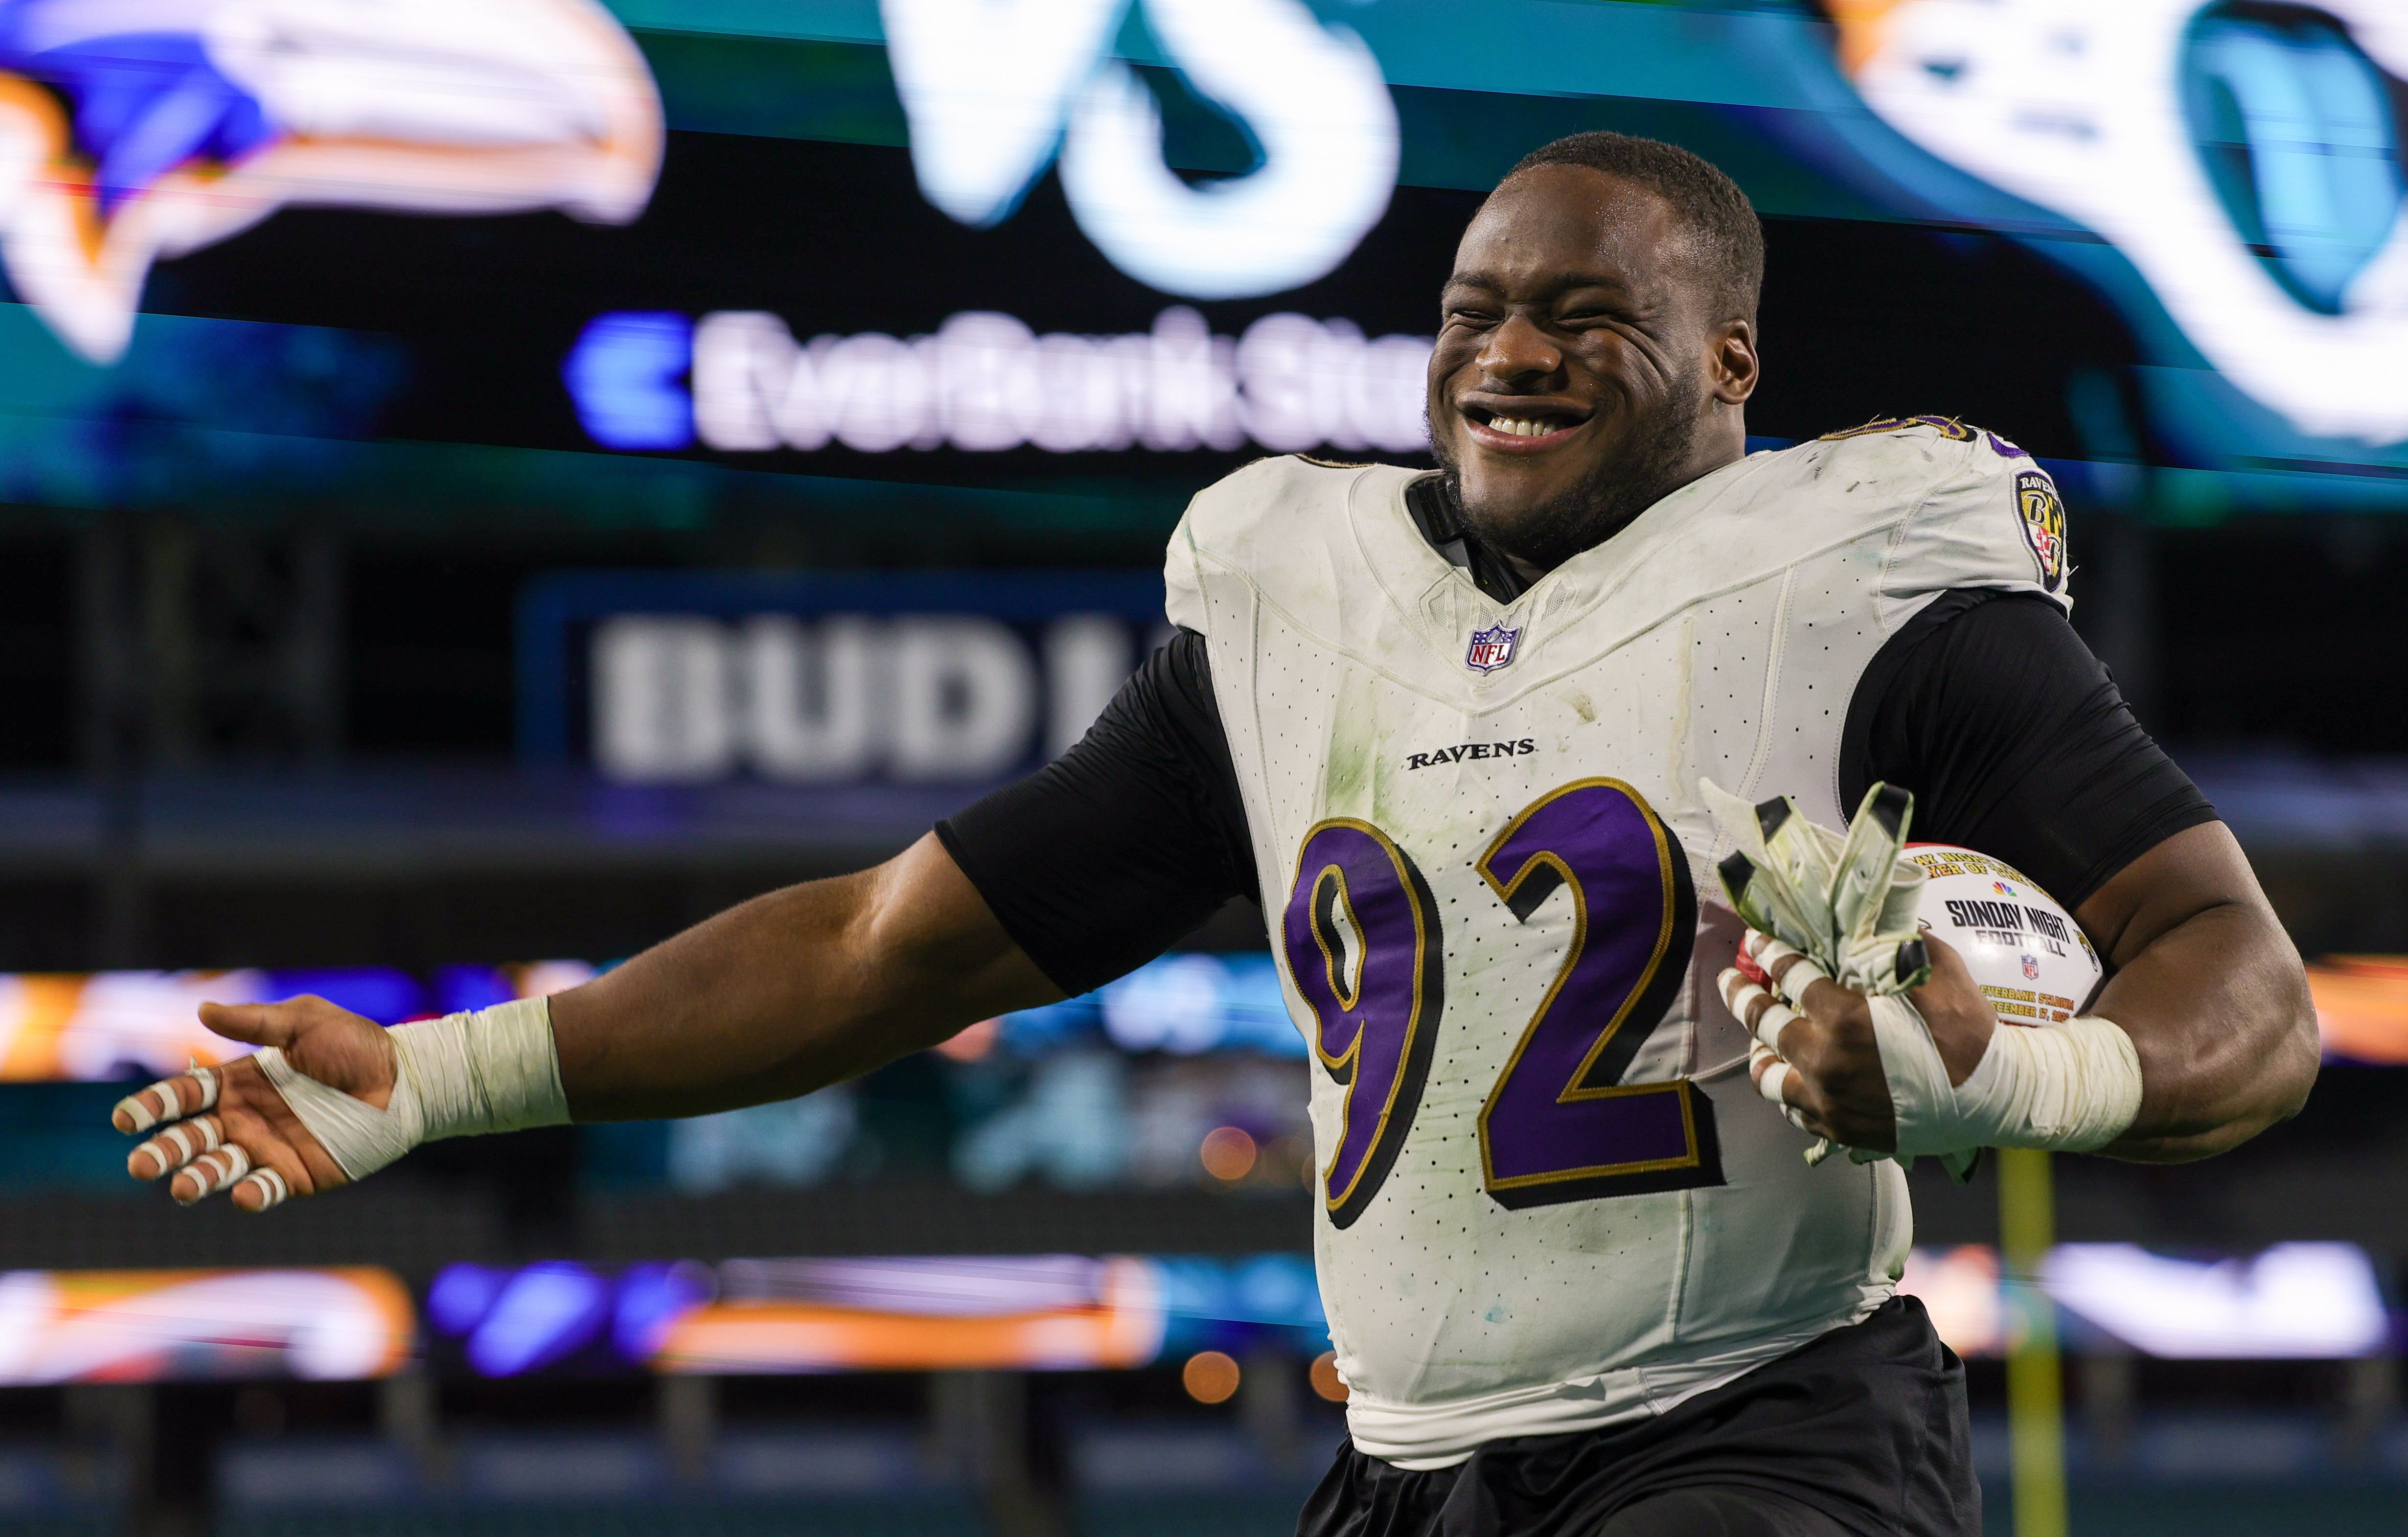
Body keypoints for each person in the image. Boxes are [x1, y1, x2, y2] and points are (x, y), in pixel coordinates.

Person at [109, 133, 2317, 1537]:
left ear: (1730, 363)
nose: (1510, 352)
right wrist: (458, 1077)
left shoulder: (1869, 591)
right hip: (1410, 1457)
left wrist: (1999, 1068)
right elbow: (894, 944)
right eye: (1473, 313)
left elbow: (2243, 985)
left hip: (1759, 1437)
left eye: (1585, 314)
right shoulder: (1294, 620)